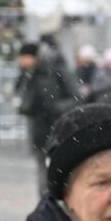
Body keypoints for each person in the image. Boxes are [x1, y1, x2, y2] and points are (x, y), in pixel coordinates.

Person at [15, 41, 79, 195]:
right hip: (40, 129)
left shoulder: (58, 70)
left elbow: (76, 97)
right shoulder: (30, 75)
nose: (21, 61)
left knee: (62, 168)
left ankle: (58, 201)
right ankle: (46, 205)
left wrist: (57, 108)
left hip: (60, 128)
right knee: (43, 169)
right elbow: (24, 102)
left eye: (23, 57)